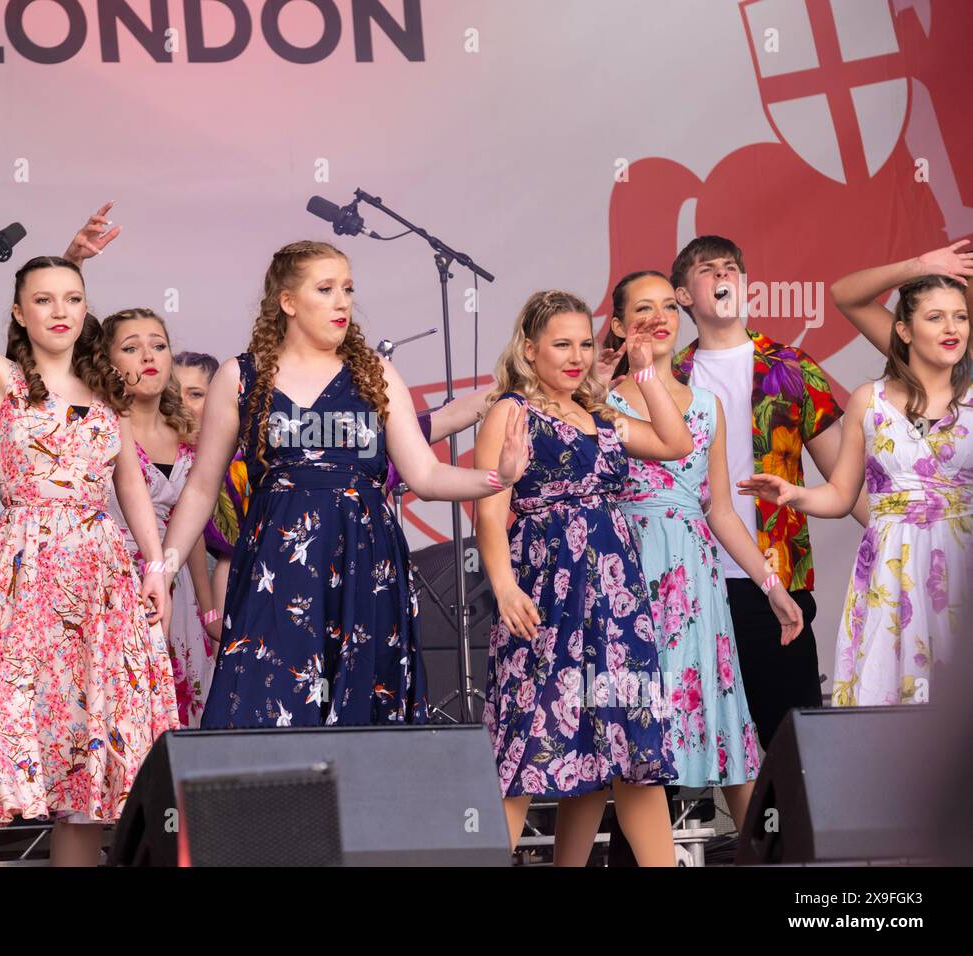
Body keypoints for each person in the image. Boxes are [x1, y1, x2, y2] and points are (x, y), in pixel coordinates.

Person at [0, 180, 178, 867]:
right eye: (44, 301)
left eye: (74, 300)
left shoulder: (109, 387)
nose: (60, 312)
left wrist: (156, 568)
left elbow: (131, 487)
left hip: (103, 574)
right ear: (19, 315)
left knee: (85, 771)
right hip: (26, 570)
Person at [157, 239, 529, 728]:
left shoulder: (373, 372)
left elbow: (427, 475)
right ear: (288, 302)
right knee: (265, 705)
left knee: (363, 715)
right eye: (326, 289)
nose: (342, 302)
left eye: (348, 289)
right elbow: (203, 487)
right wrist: (162, 569)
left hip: (363, 563)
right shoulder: (241, 376)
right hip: (278, 566)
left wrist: (498, 478)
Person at [476, 289, 691, 865]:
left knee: (625, 740)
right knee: (527, 742)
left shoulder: (602, 417)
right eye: (561, 344)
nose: (575, 356)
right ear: (529, 349)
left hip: (616, 601)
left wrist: (644, 374)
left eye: (585, 343)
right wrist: (503, 586)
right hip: (546, 596)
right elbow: (489, 508)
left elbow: (676, 443)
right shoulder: (511, 411)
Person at [602, 272, 803, 831]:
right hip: (625, 569)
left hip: (694, 578)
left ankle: (763, 856)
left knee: (725, 723)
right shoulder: (599, 401)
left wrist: (773, 587)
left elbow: (719, 511)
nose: (660, 317)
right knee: (635, 722)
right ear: (617, 326)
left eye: (669, 305)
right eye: (644, 308)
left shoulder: (708, 405)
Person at [669, 235, 866, 748]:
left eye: (731, 267)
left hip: (775, 576)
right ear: (684, 295)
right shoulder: (666, 378)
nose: (723, 277)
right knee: (666, 746)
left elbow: (846, 480)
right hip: (683, 577)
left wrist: (898, 534)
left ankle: (785, 834)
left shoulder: (792, 367)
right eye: (708, 270)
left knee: (790, 741)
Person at [745, 271, 971, 706]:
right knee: (894, 705)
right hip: (893, 566)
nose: (952, 328)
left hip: (962, 564)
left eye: (960, 317)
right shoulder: (871, 400)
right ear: (903, 330)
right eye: (937, 317)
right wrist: (796, 495)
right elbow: (842, 495)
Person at [102, 310, 215, 727]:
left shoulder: (185, 428)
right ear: (108, 362)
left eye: (159, 345)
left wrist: (207, 609)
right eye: (131, 347)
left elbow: (194, 527)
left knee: (187, 699)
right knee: (130, 703)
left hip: (178, 580)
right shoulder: (104, 423)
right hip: (121, 577)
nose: (148, 355)